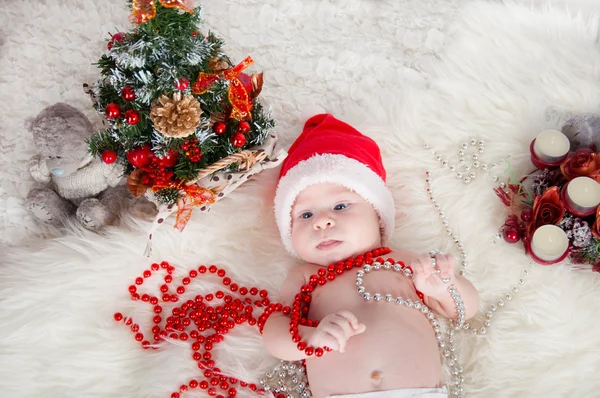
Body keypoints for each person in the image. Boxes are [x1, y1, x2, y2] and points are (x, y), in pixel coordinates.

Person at [262, 114, 479, 398]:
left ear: (377, 215)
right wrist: (309, 338)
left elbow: (467, 309)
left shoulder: (402, 261)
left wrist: (445, 288)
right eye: (306, 214)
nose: (322, 222)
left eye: (340, 206)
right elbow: (273, 331)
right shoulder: (305, 277)